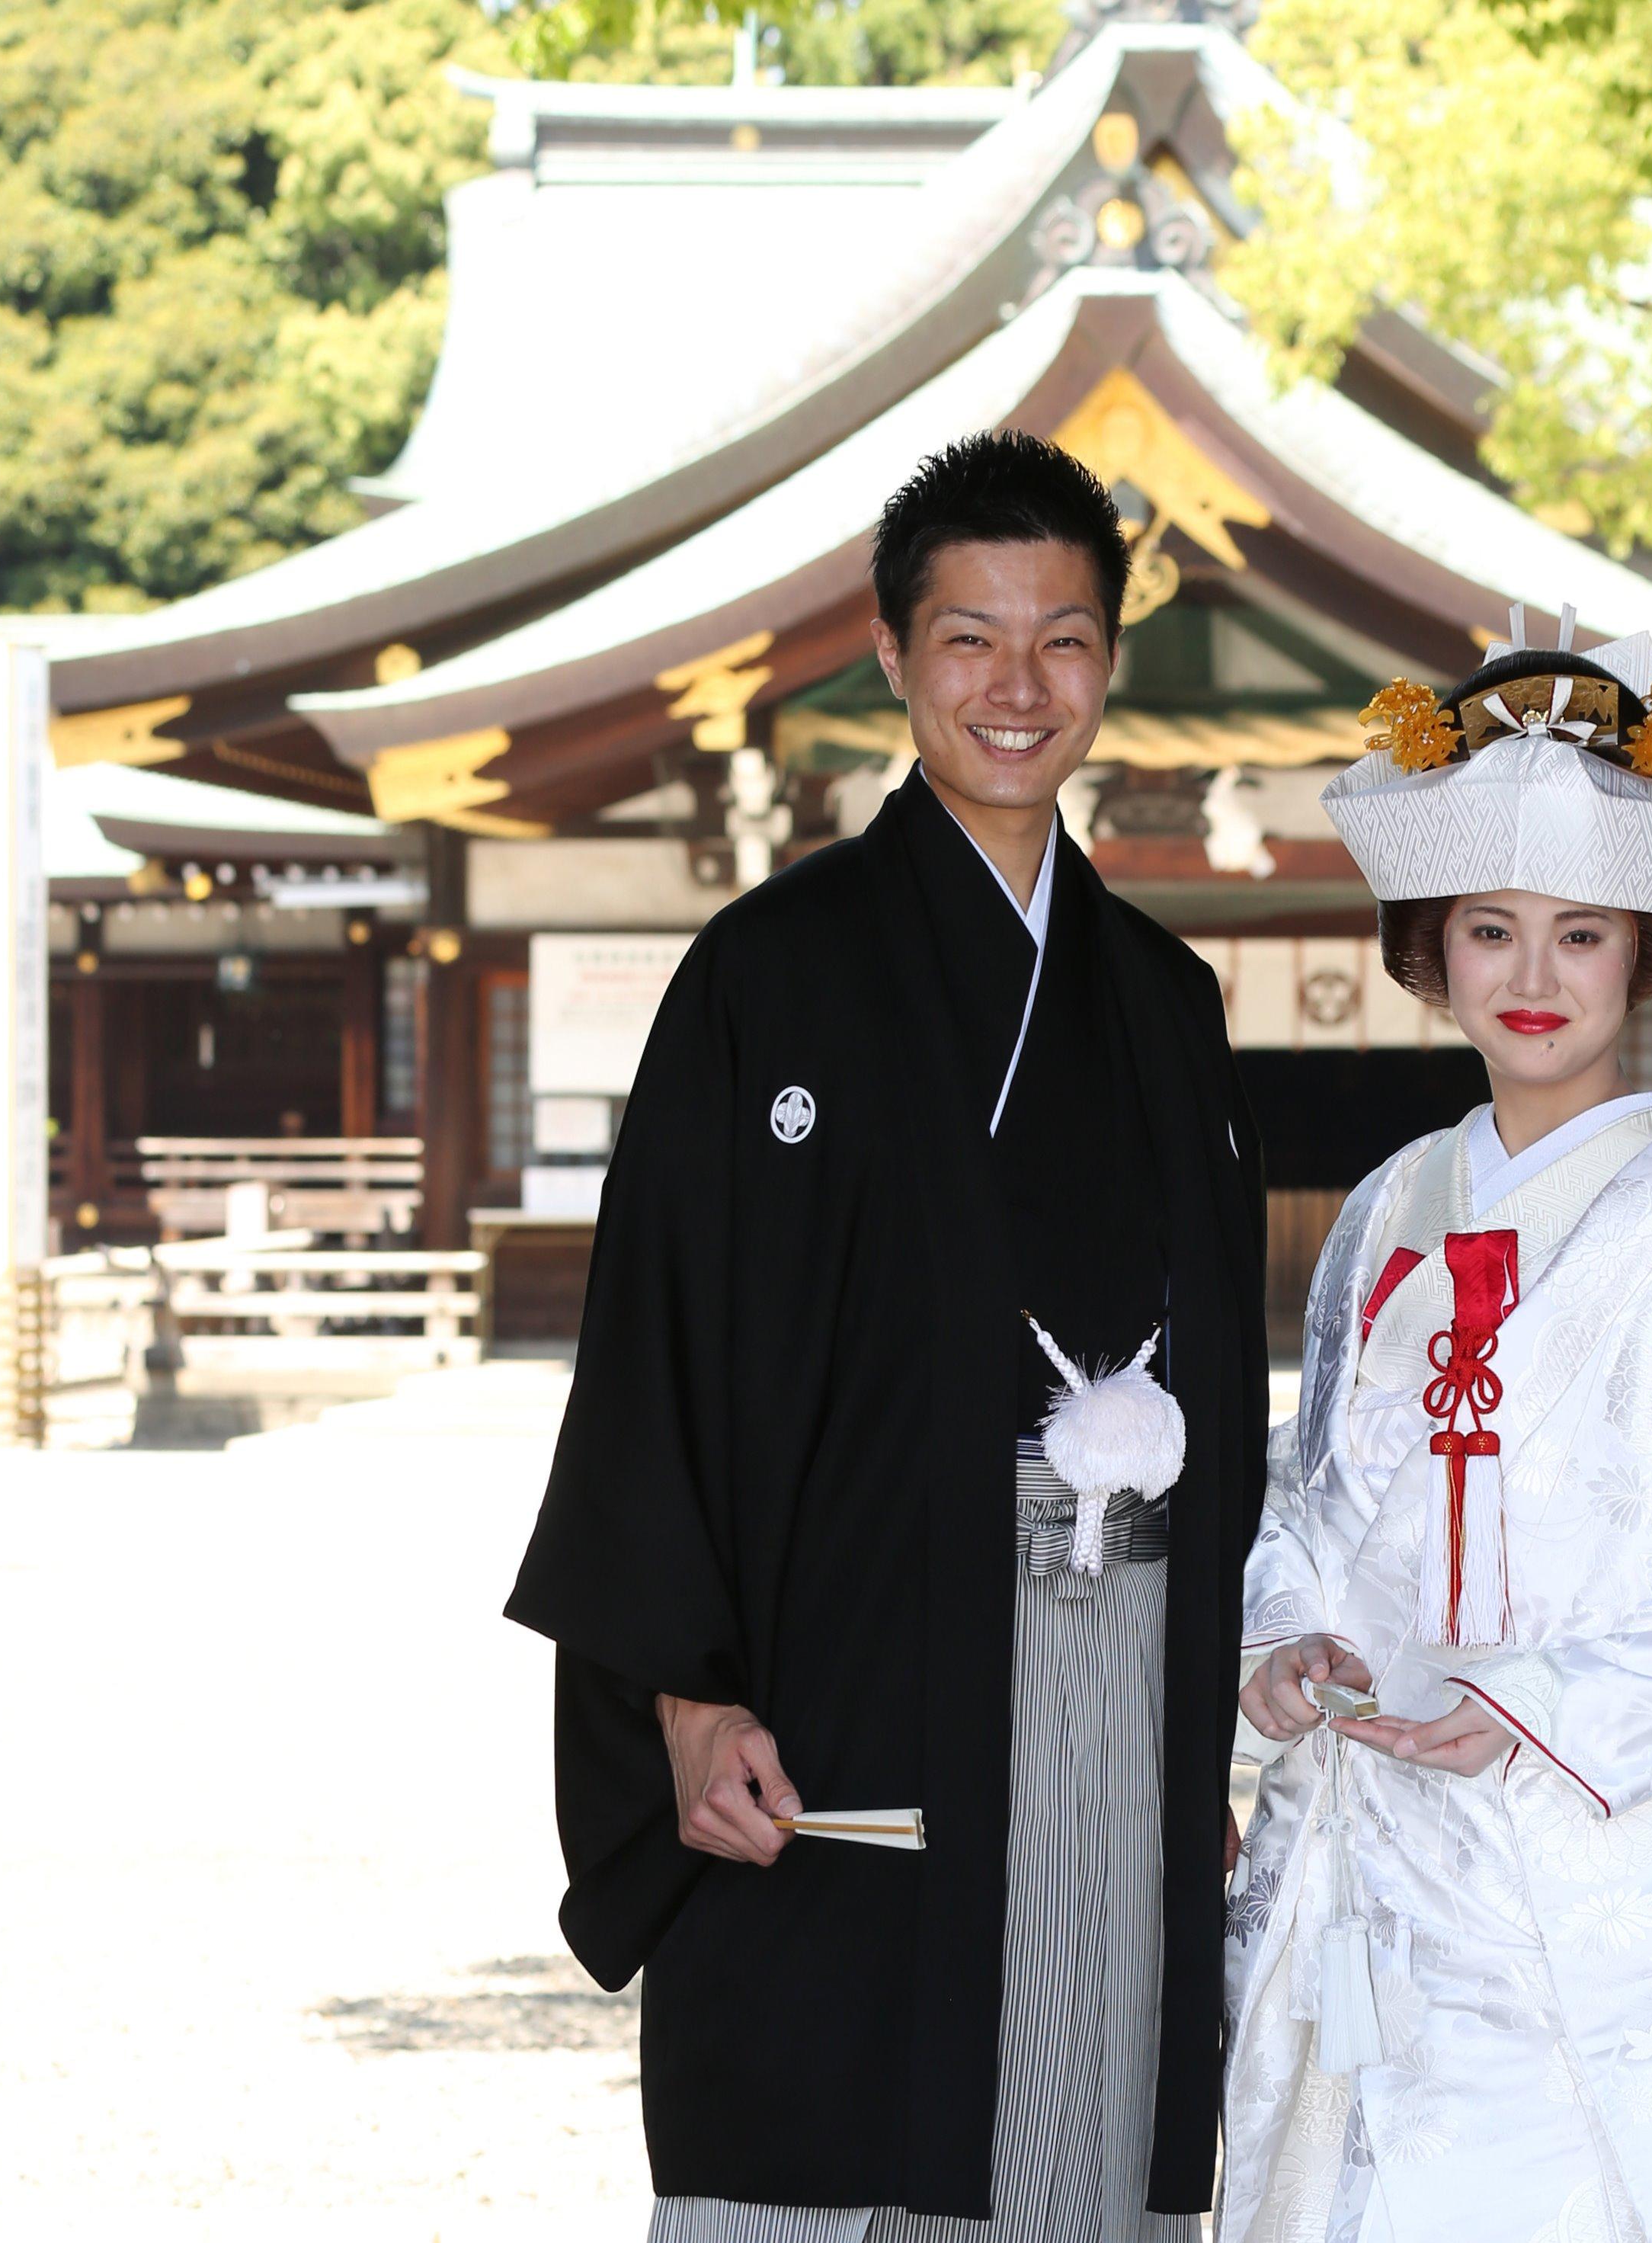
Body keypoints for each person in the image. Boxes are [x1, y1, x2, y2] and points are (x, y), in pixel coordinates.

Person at [505, 431, 1267, 2240]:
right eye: (970, 640)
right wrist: (680, 1693)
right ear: (893, 658)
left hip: (1112, 1646)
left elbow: (1225, 1385)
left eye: (1063, 641)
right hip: (842, 1677)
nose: (1019, 687)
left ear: (1110, 668)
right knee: (828, 2125)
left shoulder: (1161, 997)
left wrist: (1194, 1735)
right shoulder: (768, 972)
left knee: (1089, 2127)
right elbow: (656, 1356)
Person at [1218, 609, 1652, 2243]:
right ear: (1429, 949)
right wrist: (1286, 1629)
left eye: (1580, 934)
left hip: (1599, 1850)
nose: (1530, 975)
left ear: (1644, 951)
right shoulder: (1390, 1211)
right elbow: (1317, 1494)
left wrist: (1544, 1703)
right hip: (1388, 1835)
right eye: (1490, 929)